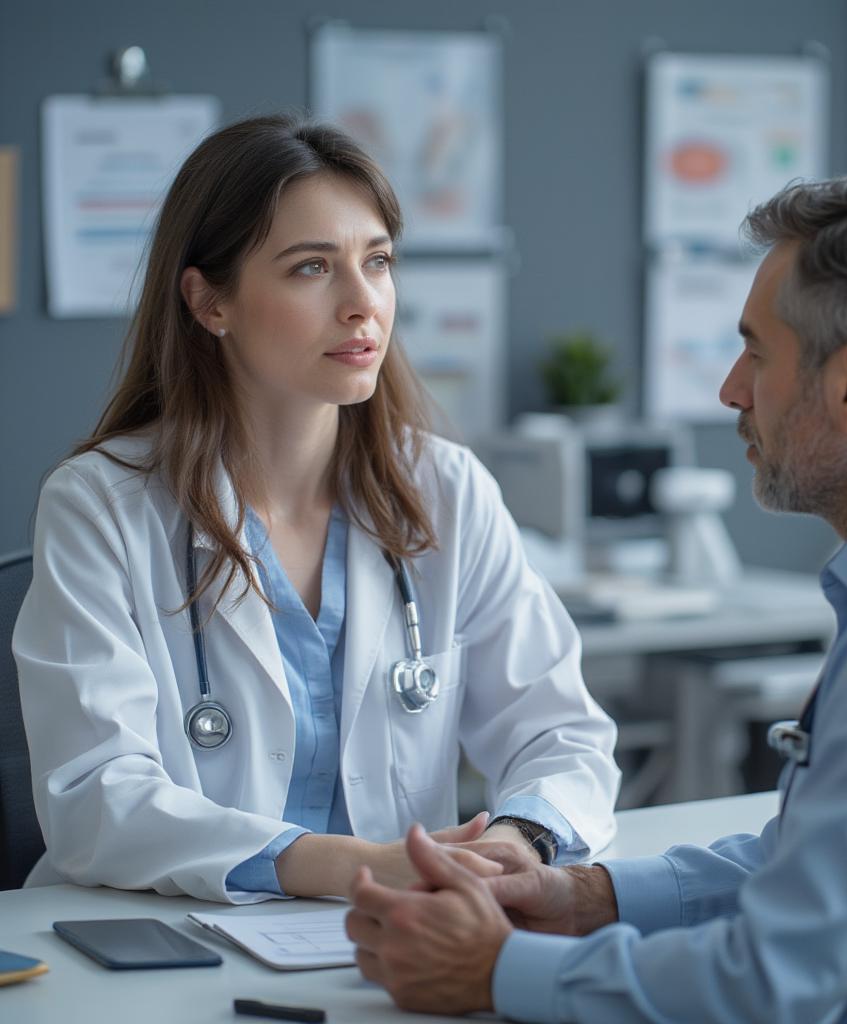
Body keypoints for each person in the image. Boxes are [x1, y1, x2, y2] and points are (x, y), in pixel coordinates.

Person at [346, 167, 847, 1022]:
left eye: (758, 352)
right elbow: (809, 877)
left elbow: (770, 986)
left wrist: (496, 972)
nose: (732, 390)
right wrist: (590, 896)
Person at [12, 114, 619, 904]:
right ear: (208, 302)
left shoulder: (447, 490)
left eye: (378, 262)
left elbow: (563, 734)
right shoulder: (102, 505)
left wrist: (515, 839)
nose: (363, 303)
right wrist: (350, 866)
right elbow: (95, 795)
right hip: (164, 933)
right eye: (310, 268)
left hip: (389, 939)